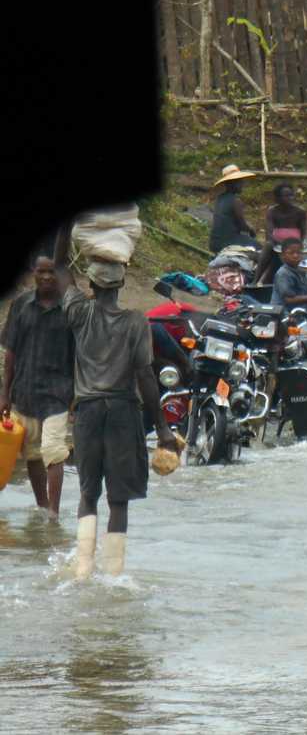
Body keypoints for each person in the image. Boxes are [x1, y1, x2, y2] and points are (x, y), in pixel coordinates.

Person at [52, 228, 176, 578]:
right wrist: (164, 428)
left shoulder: (79, 312)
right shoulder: (136, 323)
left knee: (88, 494)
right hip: (123, 413)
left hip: (88, 412)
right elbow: (146, 378)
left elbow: (61, 267)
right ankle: (115, 578)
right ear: (121, 286)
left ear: (91, 287)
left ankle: (82, 571)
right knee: (118, 499)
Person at [0, 255, 74, 516]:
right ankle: (42, 505)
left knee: (53, 451)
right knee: (32, 455)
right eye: (41, 272)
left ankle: (53, 514)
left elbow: (80, 355)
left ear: (60, 275)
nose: (46, 277)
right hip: (25, 392)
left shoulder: (70, 308)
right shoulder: (21, 305)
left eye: (51, 272)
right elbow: (11, 353)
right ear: (34, 272)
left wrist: (78, 396)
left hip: (58, 394)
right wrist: (4, 395)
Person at [254, 184, 307, 285]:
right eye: (286, 196)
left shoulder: (300, 212)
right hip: (276, 244)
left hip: (294, 244)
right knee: (268, 246)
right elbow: (269, 234)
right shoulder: (273, 212)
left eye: (291, 195)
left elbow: (303, 233)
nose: (289, 198)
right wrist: (278, 243)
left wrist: (297, 244)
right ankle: (255, 281)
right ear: (278, 198)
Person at [208, 165, 257, 254]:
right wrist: (251, 230)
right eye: (239, 182)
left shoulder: (220, 198)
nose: (242, 184)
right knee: (259, 248)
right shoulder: (235, 201)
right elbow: (242, 225)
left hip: (214, 242)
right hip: (228, 241)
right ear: (232, 183)